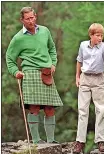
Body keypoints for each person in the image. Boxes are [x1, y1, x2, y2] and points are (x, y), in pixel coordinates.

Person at [6, 7, 63, 144]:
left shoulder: (45, 31)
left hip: (46, 72)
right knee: (34, 107)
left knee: (50, 108)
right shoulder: (18, 38)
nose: (31, 21)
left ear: (35, 16)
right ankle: (36, 141)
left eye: (33, 17)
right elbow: (9, 58)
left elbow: (52, 48)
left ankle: (51, 141)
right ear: (22, 20)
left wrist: (53, 63)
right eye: (28, 19)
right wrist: (16, 72)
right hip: (30, 73)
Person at [73, 23, 104, 154]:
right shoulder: (83, 45)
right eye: (97, 35)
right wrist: (77, 76)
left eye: (101, 35)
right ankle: (80, 142)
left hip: (98, 79)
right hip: (85, 78)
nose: (100, 38)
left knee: (100, 110)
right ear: (91, 35)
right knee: (82, 110)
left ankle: (100, 141)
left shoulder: (103, 47)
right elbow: (79, 60)